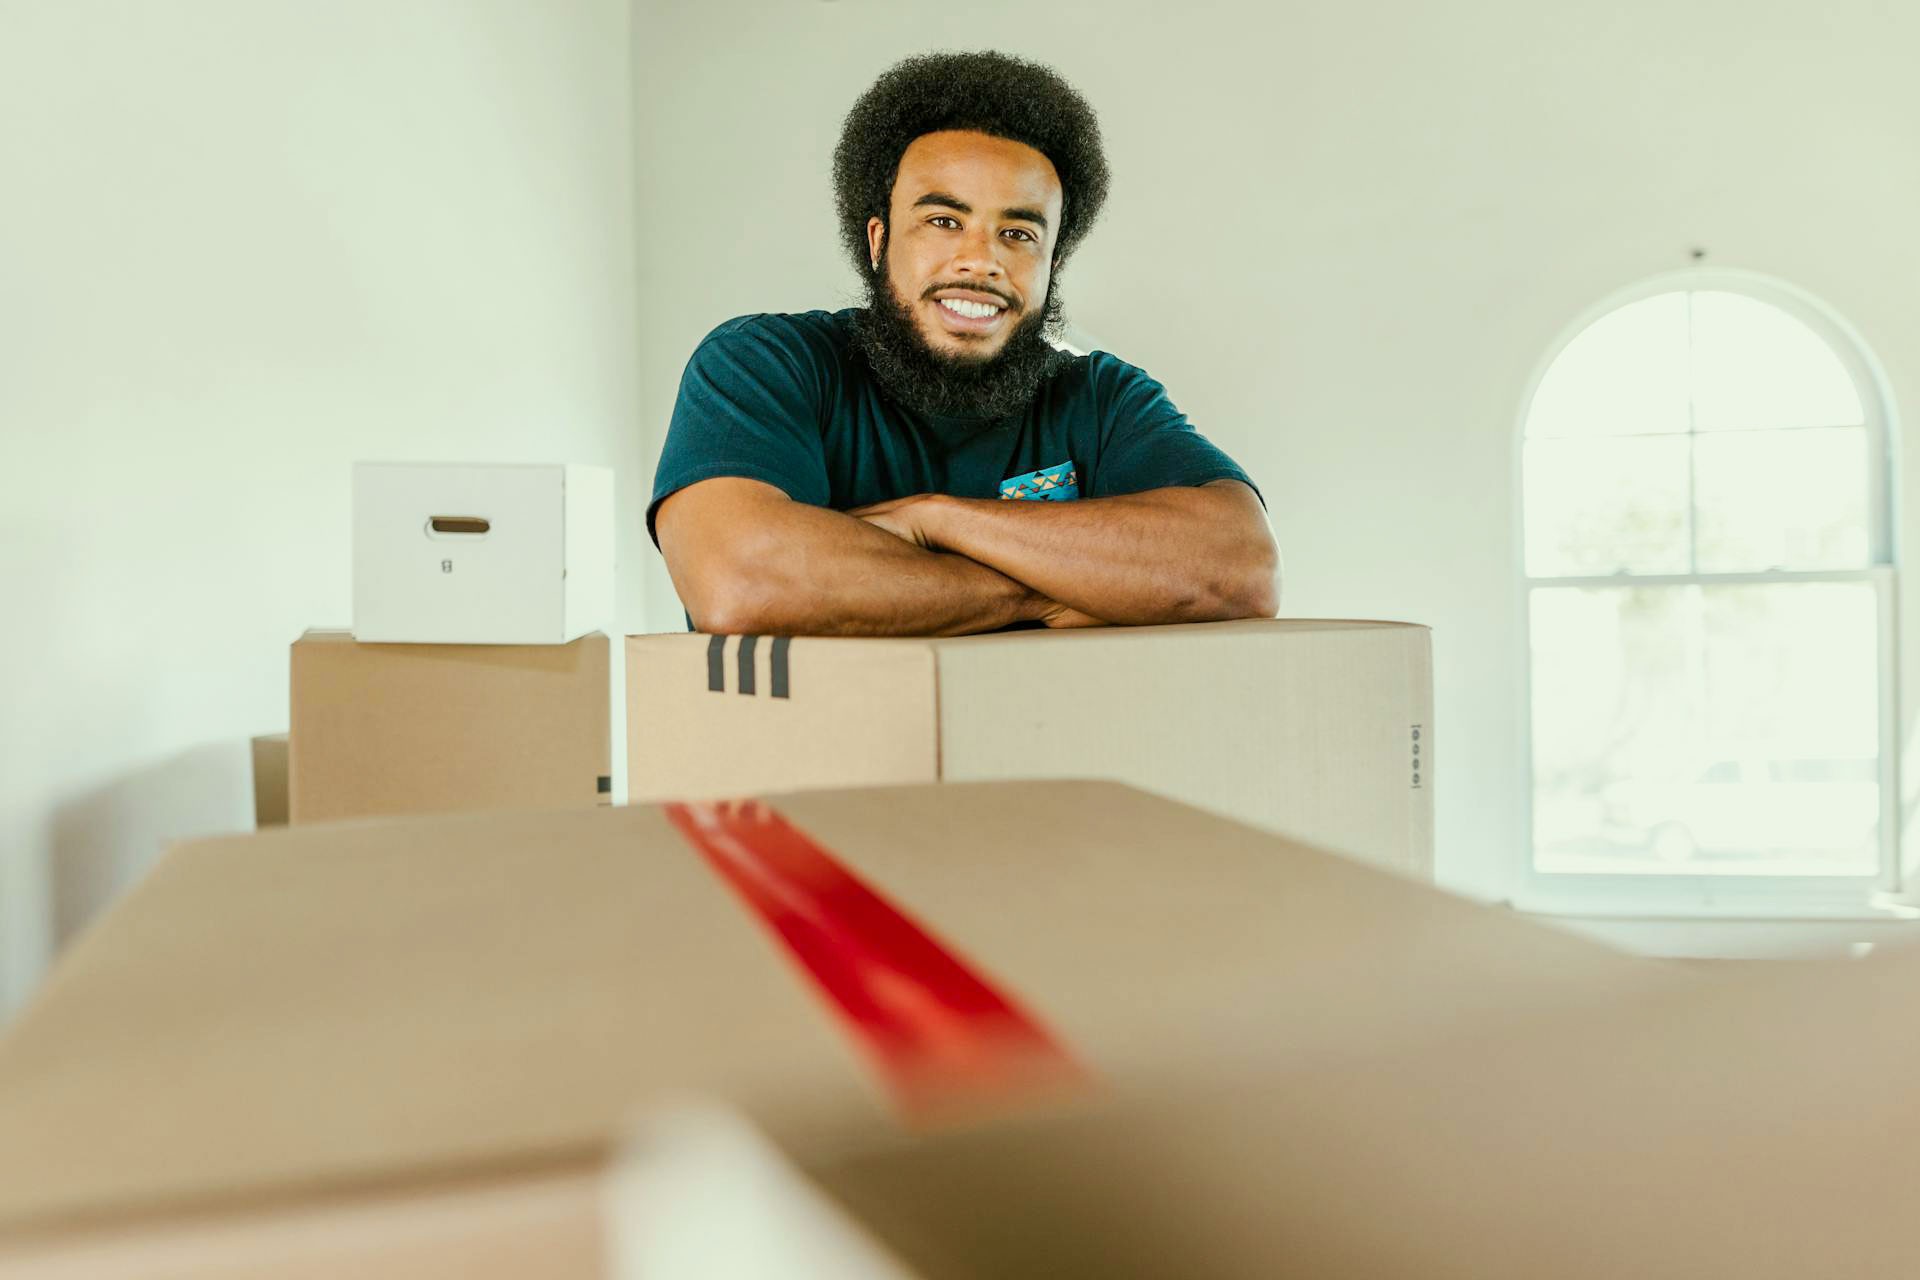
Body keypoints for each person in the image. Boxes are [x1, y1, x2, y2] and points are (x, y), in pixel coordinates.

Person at [649, 50, 1279, 636]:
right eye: (944, 221)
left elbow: (1241, 569)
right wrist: (1043, 594)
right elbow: (742, 582)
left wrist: (935, 519)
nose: (981, 261)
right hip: (813, 753)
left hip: (1054, 752)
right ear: (877, 241)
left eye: (1019, 233)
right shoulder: (766, 366)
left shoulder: (1100, 400)